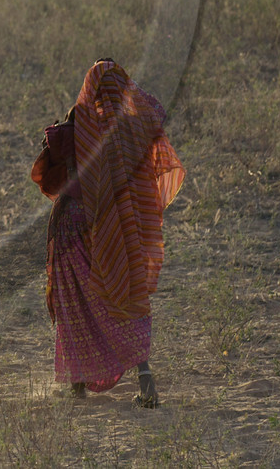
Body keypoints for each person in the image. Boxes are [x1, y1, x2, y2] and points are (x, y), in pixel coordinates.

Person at [31, 58, 184, 407]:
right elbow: (155, 123)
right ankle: (143, 376)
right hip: (119, 228)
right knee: (120, 298)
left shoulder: (73, 128)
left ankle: (77, 383)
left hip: (73, 223)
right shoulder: (133, 131)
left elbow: (46, 170)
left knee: (75, 302)